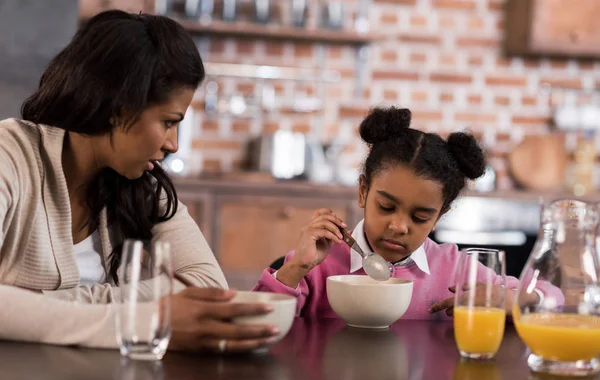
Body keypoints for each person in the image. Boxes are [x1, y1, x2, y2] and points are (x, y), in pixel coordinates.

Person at [0, 10, 278, 352]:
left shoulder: (142, 184)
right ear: (118, 107)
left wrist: (32, 303)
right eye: (168, 121)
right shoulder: (9, 154)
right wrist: (144, 317)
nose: (172, 144)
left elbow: (209, 288)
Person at [253, 107, 547, 319]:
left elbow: (552, 298)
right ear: (363, 192)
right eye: (386, 207)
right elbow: (254, 318)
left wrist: (511, 298)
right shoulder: (319, 262)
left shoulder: (455, 268)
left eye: (420, 217)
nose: (398, 226)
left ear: (439, 216)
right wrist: (295, 269)